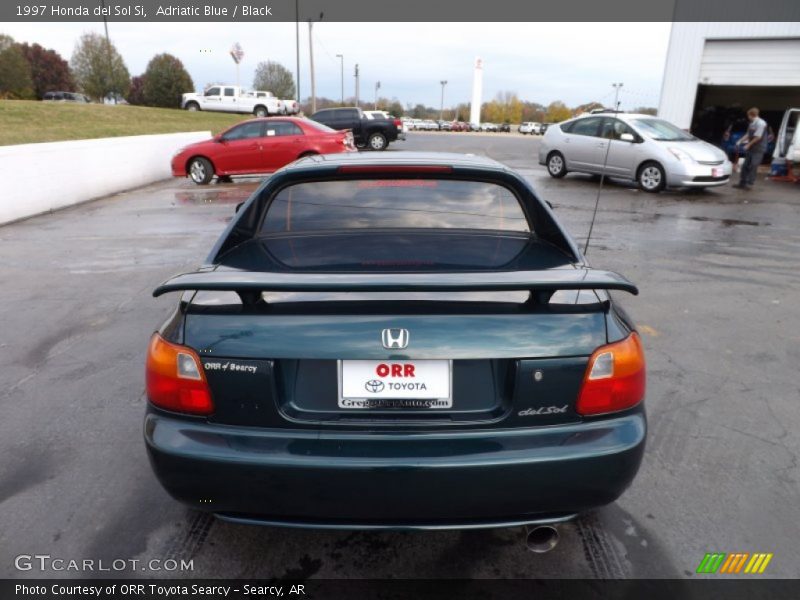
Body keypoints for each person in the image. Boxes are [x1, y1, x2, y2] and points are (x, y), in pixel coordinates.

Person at [732, 107, 768, 189]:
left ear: (751, 115)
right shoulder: (751, 123)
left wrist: (748, 145)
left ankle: (749, 183)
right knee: (745, 165)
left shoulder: (761, 123)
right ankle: (742, 183)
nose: (748, 117)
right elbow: (748, 134)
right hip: (752, 148)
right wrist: (740, 141)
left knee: (753, 165)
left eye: (748, 115)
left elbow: (758, 137)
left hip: (759, 148)